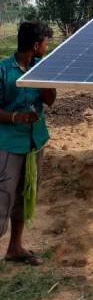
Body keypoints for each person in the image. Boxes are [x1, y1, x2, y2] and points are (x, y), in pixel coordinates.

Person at [0, 22, 56, 265]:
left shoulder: (41, 68)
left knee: (25, 194)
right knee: (3, 196)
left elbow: (50, 100)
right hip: (8, 144)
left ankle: (15, 247)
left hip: (35, 141)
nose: (47, 47)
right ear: (35, 46)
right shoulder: (3, 71)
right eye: (46, 43)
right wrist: (15, 117)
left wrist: (44, 77)